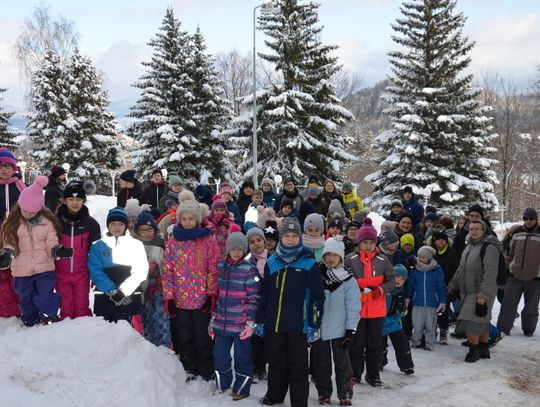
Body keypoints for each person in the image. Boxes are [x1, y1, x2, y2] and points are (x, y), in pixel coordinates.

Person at [257, 217, 325, 407]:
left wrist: (314, 323)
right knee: (276, 362)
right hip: (275, 325)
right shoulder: (272, 262)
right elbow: (264, 294)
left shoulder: (309, 264)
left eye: (295, 235)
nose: (291, 239)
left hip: (298, 326)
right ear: (281, 237)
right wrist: (260, 319)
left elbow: (318, 297)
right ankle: (275, 395)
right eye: (287, 235)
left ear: (300, 237)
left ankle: (299, 400)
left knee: (298, 365)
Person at [0, 176, 72, 326]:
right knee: (24, 296)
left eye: (32, 212)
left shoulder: (47, 222)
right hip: (21, 271)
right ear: (19, 205)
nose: (28, 214)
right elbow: (10, 242)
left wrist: (56, 250)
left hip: (44, 268)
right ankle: (30, 318)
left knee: (45, 295)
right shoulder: (11, 223)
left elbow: (51, 240)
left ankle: (49, 315)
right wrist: (8, 253)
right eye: (25, 210)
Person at [162, 197, 220, 381]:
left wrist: (211, 294)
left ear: (198, 219)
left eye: (191, 218)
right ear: (179, 219)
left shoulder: (208, 240)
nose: (187, 222)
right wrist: (169, 296)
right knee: (184, 335)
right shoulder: (173, 242)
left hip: (201, 298)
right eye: (184, 218)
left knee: (203, 336)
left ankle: (205, 368)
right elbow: (167, 271)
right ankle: (188, 367)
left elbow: (214, 268)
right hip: (180, 299)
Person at [209, 232, 260, 401]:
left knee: (242, 356)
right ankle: (222, 383)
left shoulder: (249, 269)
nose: (237, 252)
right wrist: (213, 318)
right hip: (222, 322)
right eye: (233, 249)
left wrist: (250, 321)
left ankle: (242, 388)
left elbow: (254, 297)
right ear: (228, 249)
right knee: (220, 354)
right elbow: (217, 294)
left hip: (241, 323)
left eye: (240, 249)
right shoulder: (221, 267)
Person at [345, 218, 394, 387]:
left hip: (376, 310)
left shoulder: (383, 260)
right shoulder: (350, 259)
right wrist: (356, 292)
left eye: (370, 242)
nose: (367, 245)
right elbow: (344, 279)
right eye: (364, 242)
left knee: (375, 344)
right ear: (359, 243)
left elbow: (391, 280)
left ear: (375, 243)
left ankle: (373, 374)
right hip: (356, 310)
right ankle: (355, 374)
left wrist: (378, 291)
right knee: (356, 344)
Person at [313, 237, 360, 406]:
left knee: (342, 364)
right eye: (327, 255)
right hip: (320, 329)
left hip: (340, 330)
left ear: (341, 257)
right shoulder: (317, 275)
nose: (331, 258)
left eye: (335, 255)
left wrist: (350, 330)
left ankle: (345, 392)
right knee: (321, 363)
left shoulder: (348, 280)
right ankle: (324, 392)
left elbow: (354, 308)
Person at [448, 220, 499, 362]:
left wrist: (484, 294)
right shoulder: (470, 245)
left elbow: (491, 273)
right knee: (481, 320)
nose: (474, 231)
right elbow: (461, 268)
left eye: (477, 229)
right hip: (468, 291)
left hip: (480, 290)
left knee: (471, 321)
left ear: (484, 230)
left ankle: (473, 351)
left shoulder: (489, 247)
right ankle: (483, 349)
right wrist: (453, 284)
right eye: (471, 229)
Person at [88, 207, 148, 323]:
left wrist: (123, 291)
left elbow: (141, 270)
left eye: (120, 224)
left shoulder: (136, 245)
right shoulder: (98, 246)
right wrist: (112, 290)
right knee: (106, 331)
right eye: (113, 224)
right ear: (108, 225)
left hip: (129, 297)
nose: (116, 227)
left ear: (125, 225)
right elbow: (95, 271)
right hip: (105, 296)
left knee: (127, 331)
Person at [55, 180, 101, 320]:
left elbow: (96, 252)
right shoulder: (56, 221)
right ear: (64, 200)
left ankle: (83, 333)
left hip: (82, 273)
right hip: (61, 272)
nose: (75, 203)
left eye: (78, 199)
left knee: (82, 306)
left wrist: (96, 272)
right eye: (71, 199)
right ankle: (65, 335)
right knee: (65, 306)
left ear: (84, 200)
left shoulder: (91, 224)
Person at [497, 208, 540, 338]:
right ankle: (503, 327)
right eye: (525, 218)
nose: (528, 221)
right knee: (508, 303)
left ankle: (528, 328)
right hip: (514, 275)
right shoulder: (517, 232)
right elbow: (509, 253)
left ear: (536, 219)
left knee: (531, 307)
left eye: (531, 219)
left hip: (535, 277)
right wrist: (505, 269)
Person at [133, 209, 171, 348]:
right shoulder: (133, 246)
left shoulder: (161, 244)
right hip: (142, 289)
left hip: (159, 288)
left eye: (149, 229)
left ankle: (164, 346)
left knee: (161, 317)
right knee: (146, 317)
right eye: (143, 230)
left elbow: (166, 265)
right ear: (137, 232)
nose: (146, 233)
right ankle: (148, 346)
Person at [406, 246, 446, 351]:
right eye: (419, 257)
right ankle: (416, 342)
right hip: (417, 302)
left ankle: (429, 343)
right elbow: (411, 285)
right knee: (417, 325)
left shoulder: (436, 269)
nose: (420, 259)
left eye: (423, 257)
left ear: (429, 258)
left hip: (432, 303)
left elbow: (441, 286)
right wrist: (408, 297)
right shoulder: (415, 269)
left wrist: (442, 301)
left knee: (430, 326)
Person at [382, 264, 414, 375]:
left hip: (395, 323)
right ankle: (379, 362)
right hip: (381, 323)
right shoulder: (385, 290)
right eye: (397, 276)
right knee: (379, 345)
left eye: (402, 278)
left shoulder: (401, 293)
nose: (399, 280)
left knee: (402, 344)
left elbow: (403, 310)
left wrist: (400, 314)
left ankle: (407, 366)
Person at [246, 227, 269, 380]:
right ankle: (254, 366)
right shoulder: (247, 260)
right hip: (253, 304)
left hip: (268, 303)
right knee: (253, 337)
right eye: (252, 242)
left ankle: (262, 366)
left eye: (259, 240)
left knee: (266, 338)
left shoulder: (272, 258)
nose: (256, 244)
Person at [431, 229, 458, 344]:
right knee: (432, 310)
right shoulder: (431, 253)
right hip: (432, 287)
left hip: (446, 287)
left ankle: (443, 331)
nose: (441, 242)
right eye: (438, 240)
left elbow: (456, 270)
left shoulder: (452, 253)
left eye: (443, 239)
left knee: (444, 311)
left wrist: (451, 284)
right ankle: (432, 331)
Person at [0, 147, 26, 222]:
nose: (3, 169)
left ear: (14, 168)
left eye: (7, 166)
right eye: (0, 166)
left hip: (18, 228)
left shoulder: (23, 187)